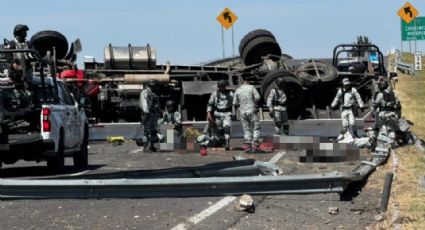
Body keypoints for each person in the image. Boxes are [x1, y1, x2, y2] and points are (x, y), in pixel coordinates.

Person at [233, 79, 261, 152]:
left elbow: (234, 102)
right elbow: (258, 97)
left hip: (242, 111)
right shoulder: (251, 87)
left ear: (242, 83)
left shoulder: (238, 90)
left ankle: (248, 146)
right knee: (256, 127)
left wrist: (240, 106)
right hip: (251, 110)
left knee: (246, 129)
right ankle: (256, 144)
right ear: (248, 82)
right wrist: (253, 102)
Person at [207, 80, 233, 150]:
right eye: (220, 87)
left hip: (227, 114)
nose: (222, 88)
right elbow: (210, 104)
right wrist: (209, 113)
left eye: (223, 86)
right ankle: (220, 142)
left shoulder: (230, 94)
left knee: (226, 128)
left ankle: (227, 143)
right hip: (218, 114)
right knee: (218, 129)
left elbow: (235, 102)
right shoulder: (215, 94)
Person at [138, 79, 161, 152]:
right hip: (147, 114)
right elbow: (144, 103)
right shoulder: (145, 92)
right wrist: (146, 113)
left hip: (153, 114)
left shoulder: (153, 93)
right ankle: (146, 147)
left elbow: (156, 104)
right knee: (146, 131)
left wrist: (158, 113)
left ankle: (151, 146)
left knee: (153, 130)